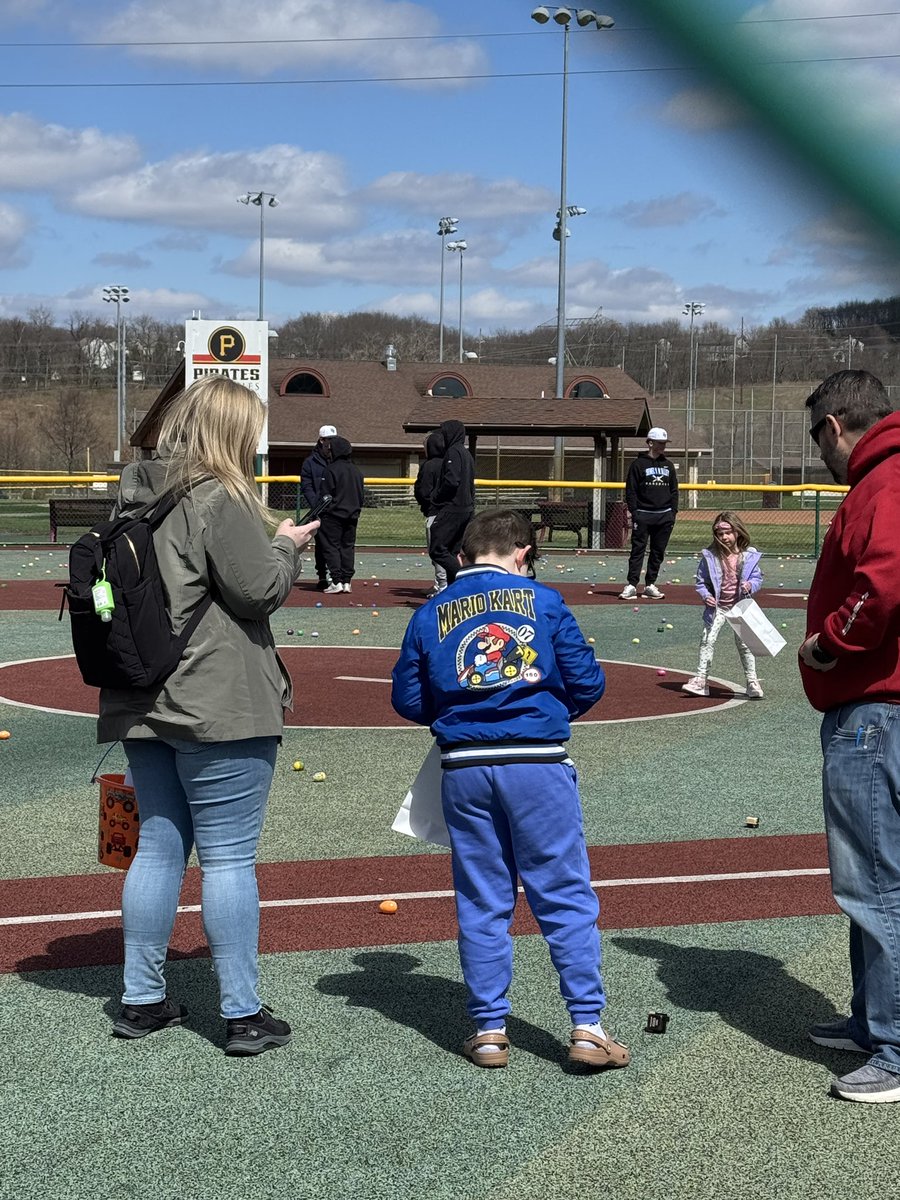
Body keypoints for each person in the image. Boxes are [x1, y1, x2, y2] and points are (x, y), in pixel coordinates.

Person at [98, 375, 319, 1056]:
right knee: (227, 860)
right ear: (231, 433)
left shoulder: (131, 495)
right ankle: (241, 1013)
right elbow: (258, 591)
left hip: (140, 698)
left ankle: (141, 999)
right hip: (218, 701)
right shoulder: (217, 496)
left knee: (157, 849)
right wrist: (286, 544)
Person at [391, 509, 629, 1073]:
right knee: (564, 893)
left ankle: (490, 1030)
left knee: (482, 899)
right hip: (537, 762)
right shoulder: (544, 602)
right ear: (523, 552)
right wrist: (544, 711)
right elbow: (588, 683)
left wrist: (459, 713)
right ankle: (587, 1027)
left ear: (463, 555)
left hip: (464, 768)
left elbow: (407, 699)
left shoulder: (429, 612)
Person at [799, 368, 900, 1103]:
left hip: (876, 709)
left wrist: (830, 643)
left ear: (836, 425)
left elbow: (886, 580)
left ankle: (894, 1050)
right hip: (873, 710)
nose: (820, 454)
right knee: (872, 880)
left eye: (817, 438)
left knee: (875, 884)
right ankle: (874, 1023)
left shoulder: (884, 478)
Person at [681, 511, 764, 699]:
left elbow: (757, 578)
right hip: (717, 608)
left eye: (728, 533)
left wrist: (750, 585)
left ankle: (752, 682)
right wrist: (705, 595)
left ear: (737, 532)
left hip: (739, 607)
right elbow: (701, 582)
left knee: (745, 645)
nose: (724, 537)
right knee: (707, 641)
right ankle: (701, 680)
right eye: (720, 534)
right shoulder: (710, 557)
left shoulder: (748, 556)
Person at [620, 427, 678, 600]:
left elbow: (674, 490)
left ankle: (650, 584)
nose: (663, 447)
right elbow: (631, 490)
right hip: (643, 515)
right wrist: (635, 512)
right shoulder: (638, 465)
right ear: (650, 443)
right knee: (638, 550)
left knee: (658, 551)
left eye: (664, 443)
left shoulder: (668, 465)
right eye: (660, 443)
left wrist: (672, 513)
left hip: (664, 515)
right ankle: (631, 585)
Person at [428, 419, 475, 586]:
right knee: (453, 551)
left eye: (444, 432)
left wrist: (437, 497)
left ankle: (464, 577)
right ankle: (454, 590)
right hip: (466, 509)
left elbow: (451, 481)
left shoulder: (453, 452)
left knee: (437, 550)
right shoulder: (466, 454)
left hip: (454, 508)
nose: (443, 436)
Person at [318, 435, 365, 594]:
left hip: (333, 515)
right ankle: (346, 582)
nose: (329, 453)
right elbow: (361, 495)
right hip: (352, 515)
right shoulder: (356, 471)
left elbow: (326, 495)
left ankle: (336, 580)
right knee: (348, 547)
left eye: (330, 450)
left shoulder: (330, 470)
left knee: (331, 547)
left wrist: (320, 512)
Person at [301, 425, 335, 589]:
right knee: (321, 544)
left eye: (333, 440)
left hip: (336, 510)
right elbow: (306, 485)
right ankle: (322, 575)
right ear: (321, 440)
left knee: (337, 544)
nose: (331, 444)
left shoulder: (338, 460)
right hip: (320, 510)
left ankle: (338, 577)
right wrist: (316, 504)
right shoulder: (310, 462)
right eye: (328, 440)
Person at [414, 430, 448, 598]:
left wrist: (425, 502)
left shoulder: (430, 465)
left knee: (437, 550)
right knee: (447, 551)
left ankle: (442, 586)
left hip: (435, 513)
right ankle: (440, 584)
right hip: (451, 513)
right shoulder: (450, 462)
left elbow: (423, 490)